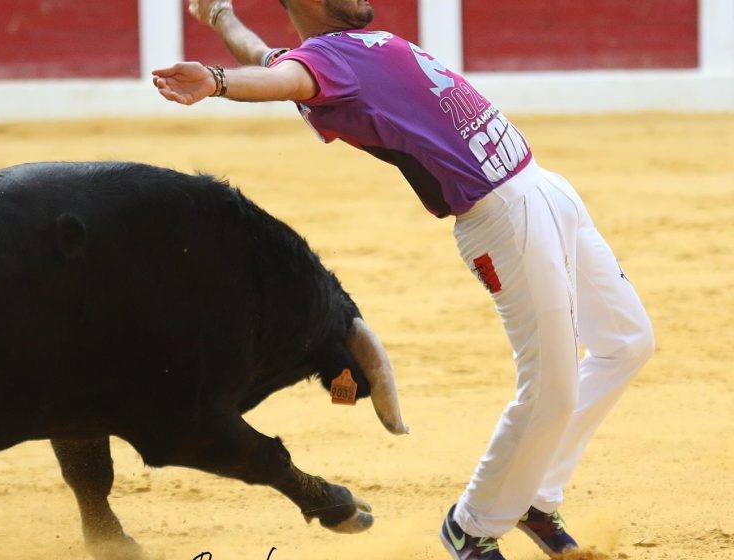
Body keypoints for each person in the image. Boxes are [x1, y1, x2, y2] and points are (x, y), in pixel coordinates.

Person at [152, 1, 655, 559]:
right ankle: (472, 525)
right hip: (504, 217)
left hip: (541, 185)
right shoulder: (327, 66)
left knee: (626, 342)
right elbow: (280, 77)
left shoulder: (334, 55)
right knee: (551, 387)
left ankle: (535, 495)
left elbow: (271, 62)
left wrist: (221, 15)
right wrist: (218, 82)